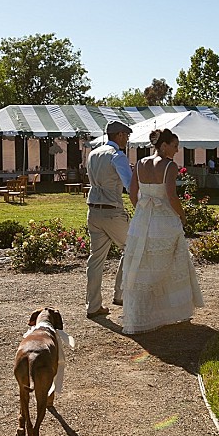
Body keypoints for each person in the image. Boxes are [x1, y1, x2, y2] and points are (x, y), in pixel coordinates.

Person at [121, 128, 204, 334]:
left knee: (141, 266)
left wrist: (140, 209)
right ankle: (169, 311)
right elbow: (172, 196)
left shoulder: (140, 163)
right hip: (164, 221)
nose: (177, 150)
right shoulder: (169, 166)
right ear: (164, 145)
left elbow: (132, 192)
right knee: (171, 264)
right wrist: (182, 216)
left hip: (141, 220)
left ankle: (142, 315)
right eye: (175, 146)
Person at [85, 120, 133, 319]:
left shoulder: (93, 153)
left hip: (93, 210)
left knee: (95, 259)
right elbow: (130, 185)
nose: (128, 139)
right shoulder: (117, 156)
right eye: (126, 135)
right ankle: (120, 294)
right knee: (131, 248)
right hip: (112, 210)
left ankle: (93, 305)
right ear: (120, 135)